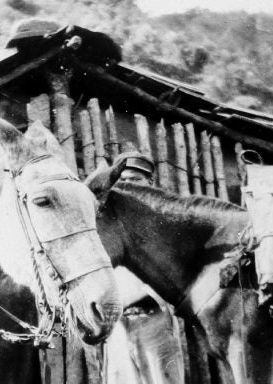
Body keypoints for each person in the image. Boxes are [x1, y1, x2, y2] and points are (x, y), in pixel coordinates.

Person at [105, 151, 184, 384]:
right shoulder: (107, 224)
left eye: (136, 180)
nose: (128, 185)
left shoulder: (165, 224)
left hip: (153, 318)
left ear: (150, 184)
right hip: (117, 323)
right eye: (123, 180)